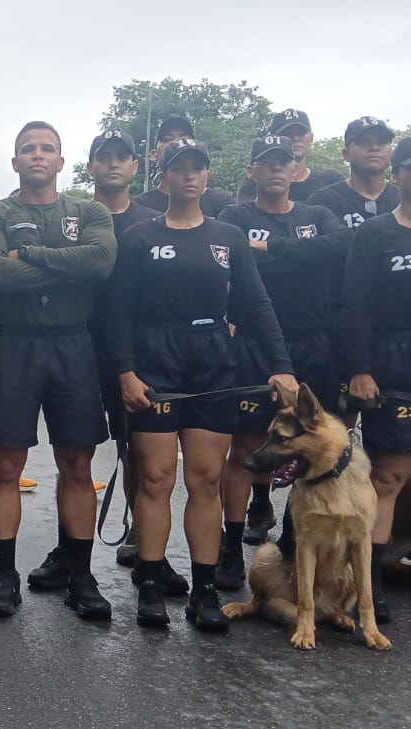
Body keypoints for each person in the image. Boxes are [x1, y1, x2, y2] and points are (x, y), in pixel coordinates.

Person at [108, 139, 296, 632]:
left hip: (213, 360)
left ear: (207, 177)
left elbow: (256, 304)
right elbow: (118, 311)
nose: (189, 176)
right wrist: (126, 371)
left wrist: (281, 364)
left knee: (206, 480)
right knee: (154, 478)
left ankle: (204, 589)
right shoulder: (138, 237)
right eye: (179, 169)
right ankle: (149, 583)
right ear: (164, 178)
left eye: (198, 168)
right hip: (155, 361)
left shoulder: (229, 236)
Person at [0, 122, 116, 621]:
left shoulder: (88, 211)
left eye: (47, 149)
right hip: (14, 346)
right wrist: (65, 267)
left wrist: (30, 255)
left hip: (72, 345)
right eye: (27, 149)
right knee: (6, 466)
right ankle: (7, 574)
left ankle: (80, 573)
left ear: (60, 161)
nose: (37, 155)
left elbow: (99, 262)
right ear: (14, 162)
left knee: (77, 465)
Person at [215, 135, 346, 589]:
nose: (276, 170)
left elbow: (336, 249)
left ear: (296, 168)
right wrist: (297, 260)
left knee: (309, 450)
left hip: (313, 346)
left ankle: (291, 545)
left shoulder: (317, 215)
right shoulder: (235, 217)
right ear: (251, 172)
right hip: (253, 346)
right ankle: (230, 547)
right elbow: (234, 264)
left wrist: (269, 253)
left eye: (283, 162)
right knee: (248, 448)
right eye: (266, 163)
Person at [84, 131, 192, 593]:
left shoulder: (154, 220)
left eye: (121, 157)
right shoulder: (75, 217)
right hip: (81, 345)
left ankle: (140, 539)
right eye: (103, 158)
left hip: (140, 352)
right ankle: (74, 552)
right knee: (77, 451)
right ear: (89, 166)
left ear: (135, 166)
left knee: (138, 452)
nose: (112, 165)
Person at [340, 137, 411, 625]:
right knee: (388, 477)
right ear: (398, 173)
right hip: (391, 364)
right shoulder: (376, 234)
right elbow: (355, 307)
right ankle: (371, 584)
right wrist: (360, 369)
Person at [134, 116, 234, 218]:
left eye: (184, 139)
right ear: (153, 154)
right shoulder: (140, 206)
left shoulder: (222, 204)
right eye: (167, 139)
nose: (177, 143)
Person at [235, 109, 344, 203]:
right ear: (273, 139)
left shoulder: (331, 181)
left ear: (311, 138)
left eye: (301, 133)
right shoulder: (255, 184)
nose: (296, 138)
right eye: (287, 134)